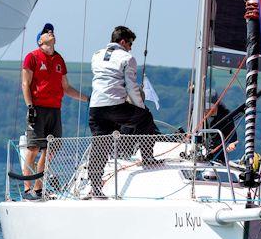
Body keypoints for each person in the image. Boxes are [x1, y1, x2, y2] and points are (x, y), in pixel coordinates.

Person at [87, 26, 160, 196]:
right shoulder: (128, 58)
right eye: (130, 44)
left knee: (99, 146)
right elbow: (132, 87)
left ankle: (95, 187)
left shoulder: (96, 55)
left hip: (96, 107)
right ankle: (147, 158)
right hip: (115, 105)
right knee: (145, 118)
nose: (131, 47)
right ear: (123, 42)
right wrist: (141, 108)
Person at [22, 22, 88, 199]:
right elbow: (25, 84)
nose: (50, 33)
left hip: (55, 109)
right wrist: (30, 106)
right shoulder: (32, 57)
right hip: (37, 108)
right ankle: (27, 189)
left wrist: (88, 98)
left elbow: (66, 87)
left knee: (50, 150)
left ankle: (38, 188)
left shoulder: (59, 60)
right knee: (34, 147)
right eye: (46, 32)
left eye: (51, 31)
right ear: (40, 41)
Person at [205, 93, 238, 164]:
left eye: (211, 107)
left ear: (217, 105)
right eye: (207, 107)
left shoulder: (225, 118)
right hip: (202, 150)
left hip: (218, 153)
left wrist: (231, 144)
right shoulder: (199, 115)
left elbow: (233, 137)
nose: (209, 110)